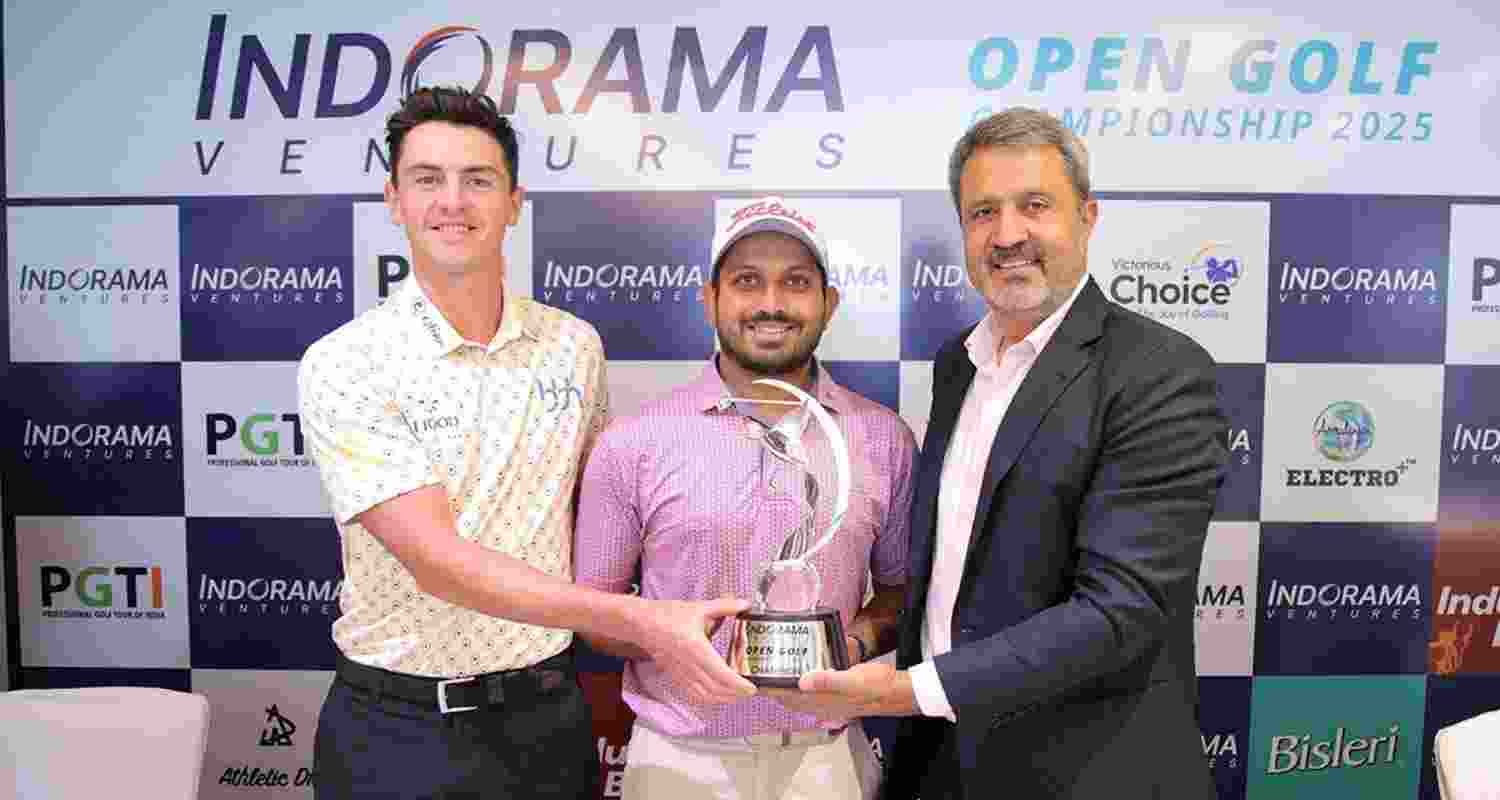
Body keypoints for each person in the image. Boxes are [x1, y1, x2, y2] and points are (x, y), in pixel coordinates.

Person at [297, 86, 754, 800]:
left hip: (549, 719)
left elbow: (604, 512)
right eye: (428, 179)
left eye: (478, 180)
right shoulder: (347, 362)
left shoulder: (573, 346)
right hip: (401, 725)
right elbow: (440, 564)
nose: (453, 201)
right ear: (394, 200)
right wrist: (644, 620)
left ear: (514, 202)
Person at [771, 108, 1228, 798]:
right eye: (984, 212)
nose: (1008, 234)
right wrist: (871, 651)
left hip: (1084, 773)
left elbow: (1122, 608)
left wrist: (906, 691)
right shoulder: (958, 363)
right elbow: (956, 573)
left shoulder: (1159, 371)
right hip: (942, 763)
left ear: (1088, 218)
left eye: (1034, 206)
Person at [573, 196, 918, 800]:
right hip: (677, 760)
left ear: (829, 303)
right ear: (709, 299)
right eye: (747, 281)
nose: (771, 303)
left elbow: (901, 592)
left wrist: (853, 645)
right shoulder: (634, 441)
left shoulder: (883, 437)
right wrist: (665, 639)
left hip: (827, 756)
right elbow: (590, 612)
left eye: (796, 282)